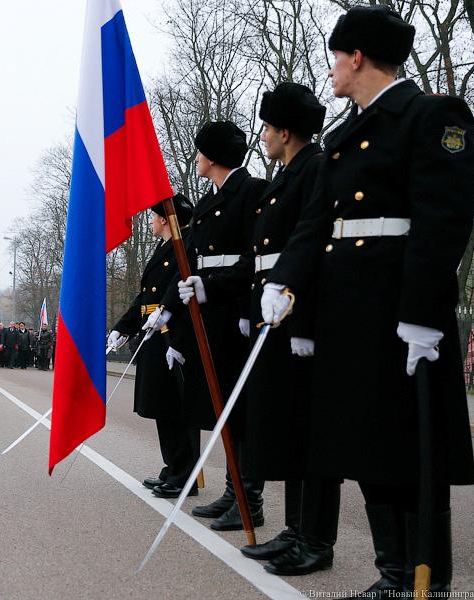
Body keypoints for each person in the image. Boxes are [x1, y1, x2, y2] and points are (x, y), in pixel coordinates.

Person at [259, 6, 474, 596]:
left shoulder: (431, 116)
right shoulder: (343, 137)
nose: (331, 69)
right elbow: (316, 223)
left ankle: (423, 579)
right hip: (348, 314)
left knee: (411, 454)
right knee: (367, 448)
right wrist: (284, 281)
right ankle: (390, 573)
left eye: (336, 56)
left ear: (357, 57)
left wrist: (421, 314)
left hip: (400, 312)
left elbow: (443, 222)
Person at [182, 83, 338, 573]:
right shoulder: (286, 175)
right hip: (272, 310)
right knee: (291, 429)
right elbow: (267, 258)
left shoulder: (314, 169)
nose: (263, 136)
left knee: (306, 432)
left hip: (295, 313)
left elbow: (309, 248)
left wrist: (302, 317)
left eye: (268, 128)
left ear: (285, 130)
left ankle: (312, 538)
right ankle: (297, 532)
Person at [155, 121, 267, 518]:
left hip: (233, 309)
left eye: (201, 151)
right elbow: (188, 260)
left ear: (214, 156)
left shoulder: (250, 191)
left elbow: (256, 258)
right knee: (225, 410)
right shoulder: (208, 200)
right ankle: (233, 490)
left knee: (241, 408)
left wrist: (240, 309)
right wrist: (171, 304)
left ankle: (249, 499)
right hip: (208, 311)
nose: (196, 158)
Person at [109, 196, 198, 499]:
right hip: (153, 333)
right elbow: (145, 299)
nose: (150, 221)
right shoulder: (164, 248)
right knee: (162, 405)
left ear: (164, 219)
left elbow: (180, 296)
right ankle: (173, 467)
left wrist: (178, 339)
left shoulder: (185, 246)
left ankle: (185, 473)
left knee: (176, 407)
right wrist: (123, 328)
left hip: (173, 335)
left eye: (153, 216)